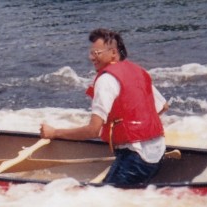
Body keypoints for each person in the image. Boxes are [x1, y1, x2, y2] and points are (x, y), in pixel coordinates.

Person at [39, 28, 169, 185]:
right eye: (91, 53)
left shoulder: (106, 80)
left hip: (137, 158)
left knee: (99, 200)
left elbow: (93, 130)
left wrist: (54, 132)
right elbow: (163, 107)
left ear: (113, 52)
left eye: (96, 53)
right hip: (159, 151)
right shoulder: (138, 71)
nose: (91, 57)